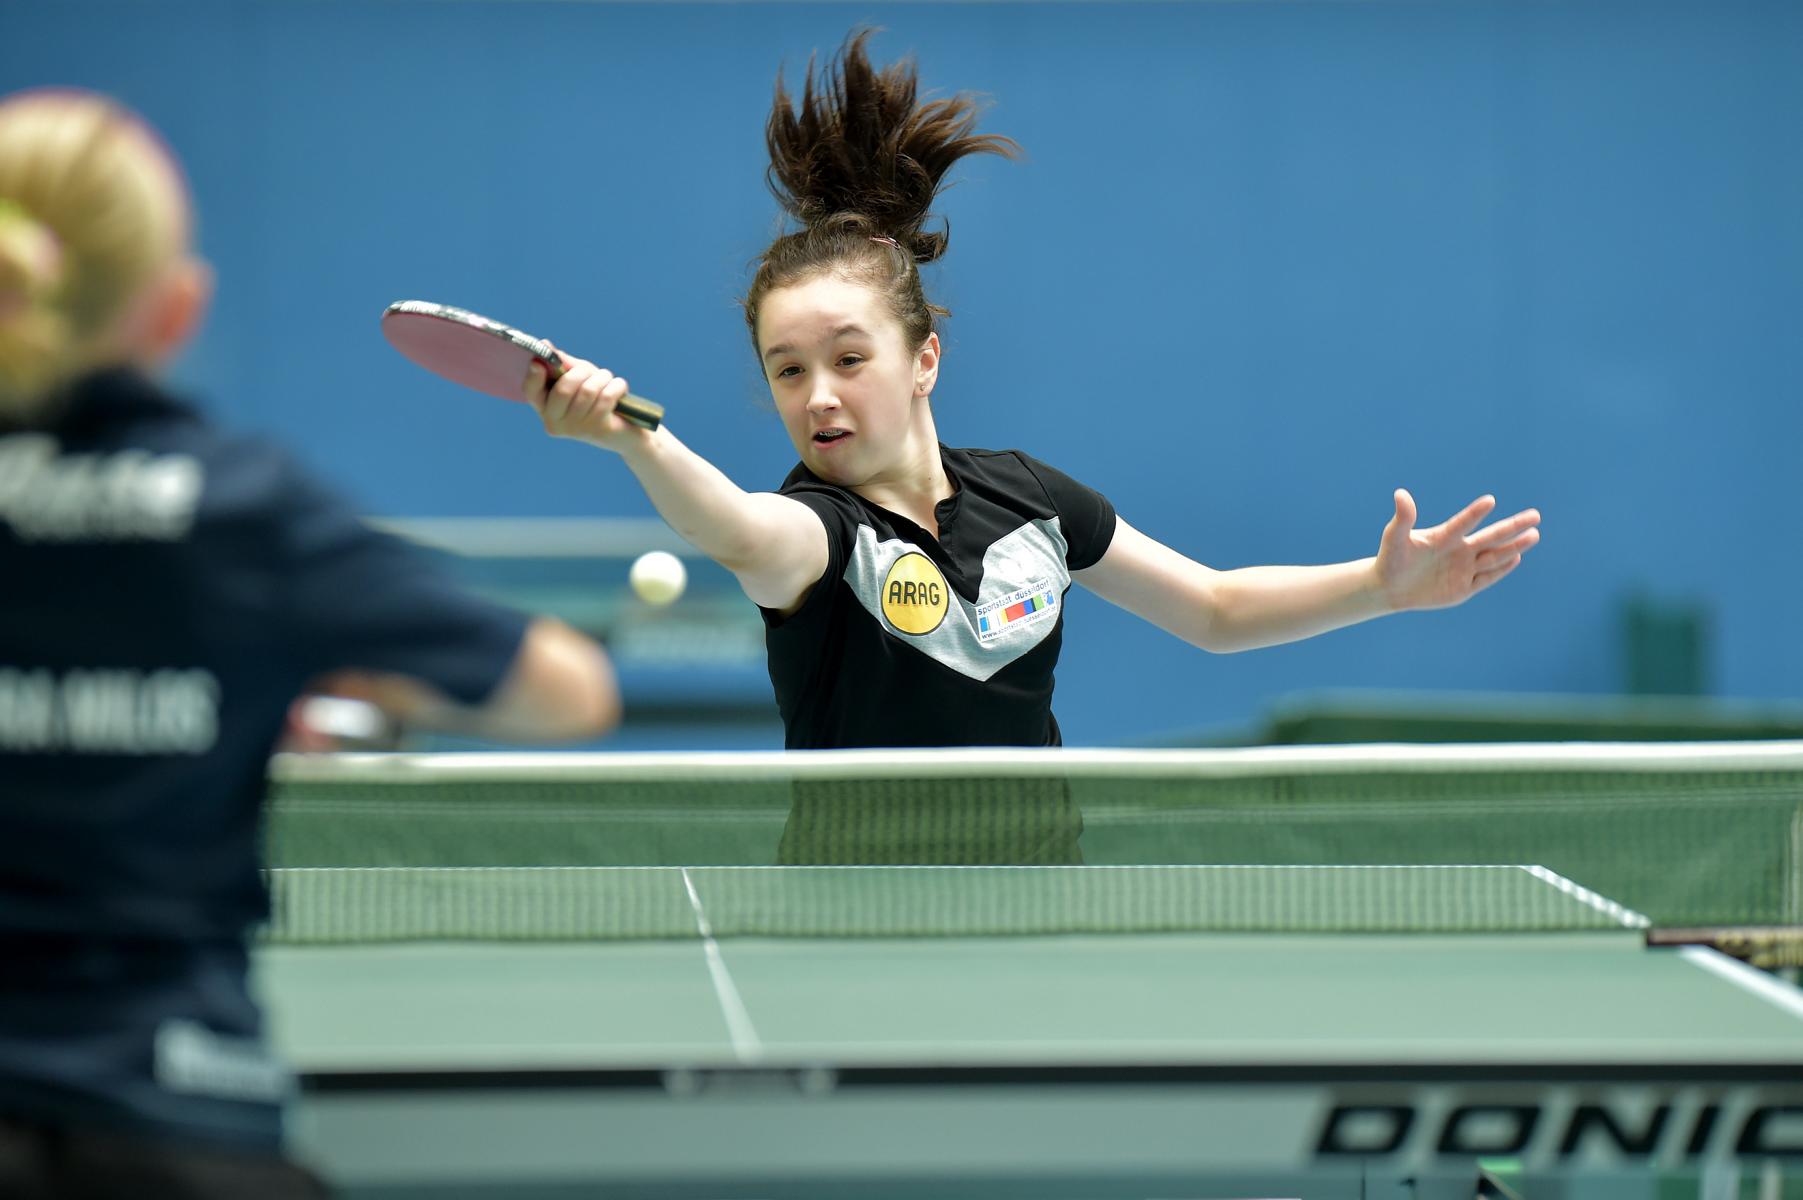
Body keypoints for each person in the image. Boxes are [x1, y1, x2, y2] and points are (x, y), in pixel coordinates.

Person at [525, 32, 1539, 853]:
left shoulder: (1033, 503)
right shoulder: (821, 534)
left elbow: (1215, 609)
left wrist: (1380, 586)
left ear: (924, 360)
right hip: (853, 925)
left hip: (1034, 900)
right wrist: (635, 443)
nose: (818, 395)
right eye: (787, 371)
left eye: (848, 358)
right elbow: (740, 530)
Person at [0, 88, 620, 1196]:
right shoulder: (246, 515)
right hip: (167, 1117)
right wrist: (303, 668)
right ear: (175, 310)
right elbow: (569, 694)